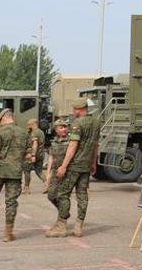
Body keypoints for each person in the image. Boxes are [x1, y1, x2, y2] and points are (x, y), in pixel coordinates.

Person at [46, 100, 98, 238]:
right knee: (82, 195)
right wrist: (93, 163)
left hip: (74, 165)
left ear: (79, 109)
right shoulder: (96, 123)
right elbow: (96, 145)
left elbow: (73, 145)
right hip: (86, 165)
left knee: (62, 194)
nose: (74, 112)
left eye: (75, 109)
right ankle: (78, 226)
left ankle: (61, 226)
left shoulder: (78, 124)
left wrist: (63, 166)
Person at [0, 108, 29, 243]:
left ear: (3, 118)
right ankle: (8, 234)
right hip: (15, 173)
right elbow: (29, 155)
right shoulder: (24, 133)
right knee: (11, 203)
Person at [43, 117, 70, 227]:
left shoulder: (70, 142)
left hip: (66, 172)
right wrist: (48, 172)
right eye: (61, 127)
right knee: (51, 195)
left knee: (62, 196)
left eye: (65, 127)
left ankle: (62, 219)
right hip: (55, 171)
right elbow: (51, 157)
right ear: (56, 130)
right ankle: (64, 212)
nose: (64, 129)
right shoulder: (53, 142)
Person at [22, 118, 46, 195]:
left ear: (33, 124)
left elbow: (35, 144)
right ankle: (47, 184)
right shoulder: (41, 132)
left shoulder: (34, 133)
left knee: (27, 170)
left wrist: (33, 155)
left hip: (34, 154)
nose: (28, 126)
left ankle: (26, 188)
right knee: (39, 171)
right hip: (41, 154)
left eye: (29, 125)